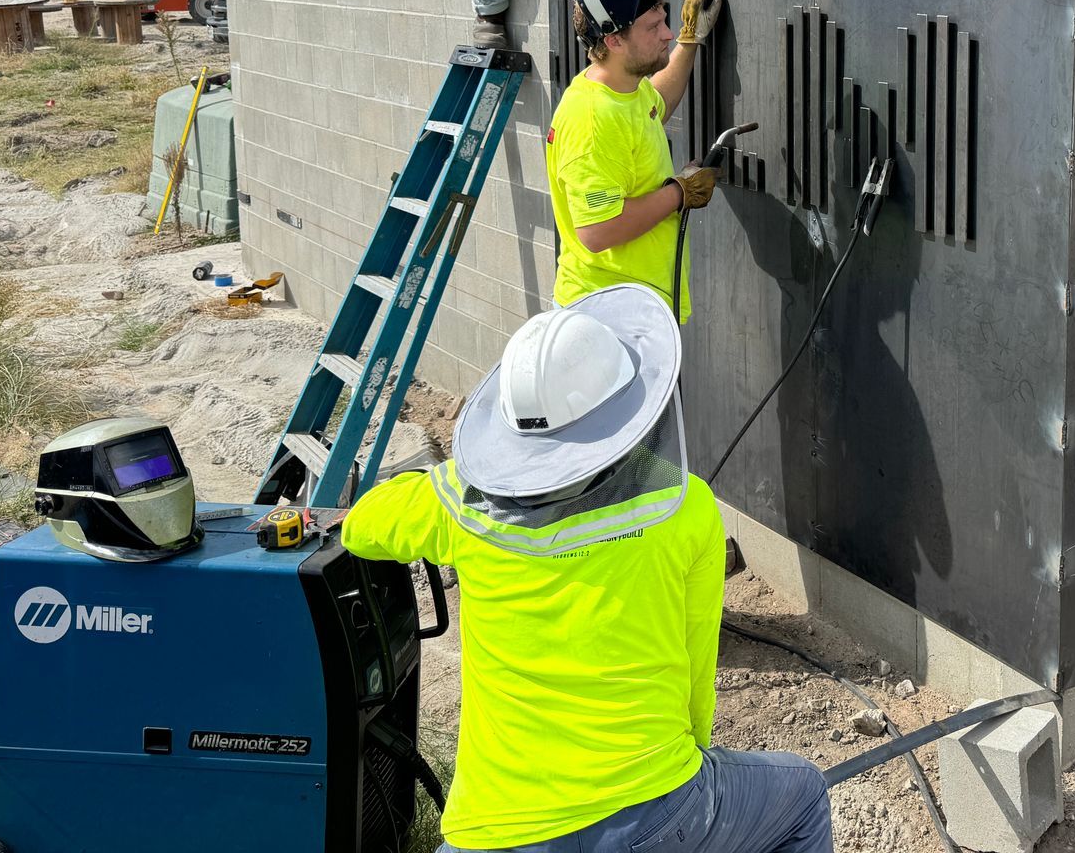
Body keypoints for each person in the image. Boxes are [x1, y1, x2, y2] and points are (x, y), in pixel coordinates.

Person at [342, 286, 833, 853]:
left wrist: (444, 483)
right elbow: (698, 680)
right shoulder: (686, 509)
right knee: (803, 795)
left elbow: (361, 526)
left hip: (494, 835)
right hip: (655, 812)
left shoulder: (458, 505)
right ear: (632, 407)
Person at [547, 0, 724, 323]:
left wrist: (689, 41)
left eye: (665, 21)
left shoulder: (625, 89)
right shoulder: (592, 120)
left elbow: (658, 99)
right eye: (654, 26)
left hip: (634, 307)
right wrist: (679, 192)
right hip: (606, 321)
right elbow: (598, 231)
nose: (665, 32)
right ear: (613, 39)